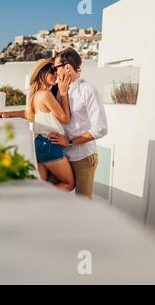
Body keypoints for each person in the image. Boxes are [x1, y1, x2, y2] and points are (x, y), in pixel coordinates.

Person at [47, 48, 108, 197]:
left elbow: (101, 128)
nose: (55, 71)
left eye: (56, 67)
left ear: (67, 67)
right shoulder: (57, 90)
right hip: (61, 156)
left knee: (83, 204)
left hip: (83, 158)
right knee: (49, 194)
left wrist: (69, 142)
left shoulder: (88, 90)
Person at [25, 58, 74, 191]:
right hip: (50, 143)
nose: (55, 76)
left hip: (39, 144)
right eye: (51, 72)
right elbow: (65, 118)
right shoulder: (46, 94)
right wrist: (63, 94)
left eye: (56, 73)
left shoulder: (34, 95)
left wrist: (8, 114)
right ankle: (43, 199)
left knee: (40, 186)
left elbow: (28, 114)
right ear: (42, 73)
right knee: (69, 183)